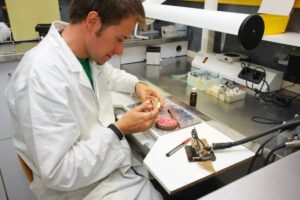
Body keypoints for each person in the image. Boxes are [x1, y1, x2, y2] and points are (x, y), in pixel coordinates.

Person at [5, 0, 164, 199]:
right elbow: (60, 172)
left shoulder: (84, 54)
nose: (120, 50)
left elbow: (110, 76)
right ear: (93, 21)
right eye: (119, 39)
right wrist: (120, 129)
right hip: (85, 190)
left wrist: (137, 86)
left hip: (113, 171)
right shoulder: (40, 75)